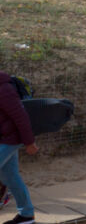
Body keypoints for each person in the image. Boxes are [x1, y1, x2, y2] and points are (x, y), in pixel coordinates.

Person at [0, 72, 38, 224]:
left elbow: (20, 116)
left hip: (10, 139)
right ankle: (26, 215)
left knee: (11, 177)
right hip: (3, 138)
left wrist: (29, 142)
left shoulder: (4, 88)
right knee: (11, 177)